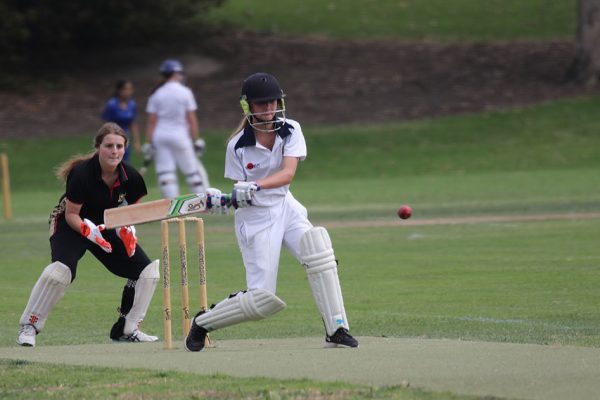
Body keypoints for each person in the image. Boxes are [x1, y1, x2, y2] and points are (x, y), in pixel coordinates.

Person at [185, 72, 359, 352]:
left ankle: (336, 328)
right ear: (249, 107)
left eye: (273, 102)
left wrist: (253, 184)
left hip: (286, 206)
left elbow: (287, 173)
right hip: (256, 219)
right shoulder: (237, 146)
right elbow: (240, 195)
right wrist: (224, 200)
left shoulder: (291, 129)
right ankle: (203, 322)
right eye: (261, 104)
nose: (269, 109)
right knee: (261, 299)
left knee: (319, 253)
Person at [16, 123, 160, 347]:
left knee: (146, 272)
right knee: (59, 272)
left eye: (119, 146)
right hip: (70, 223)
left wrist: (128, 229)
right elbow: (72, 213)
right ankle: (29, 326)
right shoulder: (82, 173)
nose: (114, 151)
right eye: (109, 146)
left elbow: (132, 212)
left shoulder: (131, 176)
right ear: (98, 147)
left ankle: (127, 329)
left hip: (105, 226)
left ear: (125, 148)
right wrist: (86, 230)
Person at [144, 59, 209, 199]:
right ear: (176, 74)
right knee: (192, 171)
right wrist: (196, 139)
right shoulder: (185, 92)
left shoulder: (156, 94)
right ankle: (202, 203)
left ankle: (172, 206)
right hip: (180, 136)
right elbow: (191, 119)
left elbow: (151, 121)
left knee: (166, 172)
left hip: (160, 136)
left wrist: (149, 143)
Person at [101, 79, 140, 162]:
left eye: (130, 89)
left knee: (125, 163)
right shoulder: (112, 105)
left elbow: (132, 123)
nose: (129, 92)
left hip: (126, 137)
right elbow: (106, 124)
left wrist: (136, 141)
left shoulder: (132, 104)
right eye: (126, 89)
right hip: (113, 137)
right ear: (119, 90)